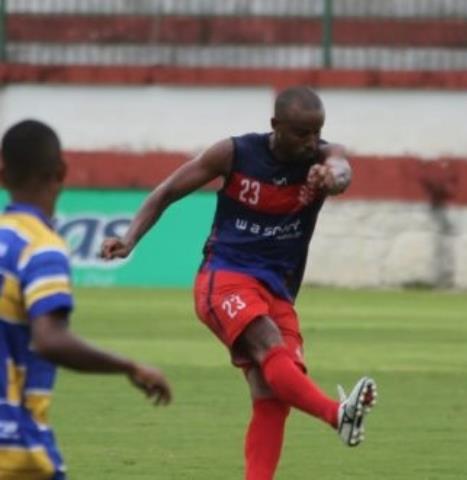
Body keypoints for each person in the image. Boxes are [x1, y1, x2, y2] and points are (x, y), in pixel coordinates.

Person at [99, 86, 376, 480]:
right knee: (269, 344)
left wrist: (330, 177)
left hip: (278, 288)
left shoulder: (323, 157)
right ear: (275, 126)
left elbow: (342, 172)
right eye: (302, 133)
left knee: (273, 392)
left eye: (317, 132)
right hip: (225, 276)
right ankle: (337, 416)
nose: (311, 141)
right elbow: (166, 193)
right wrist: (129, 239)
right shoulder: (234, 154)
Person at [0, 119, 172, 479]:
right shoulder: (41, 247)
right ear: (61, 172)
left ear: (2, 173)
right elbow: (50, 339)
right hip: (16, 448)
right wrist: (130, 366)